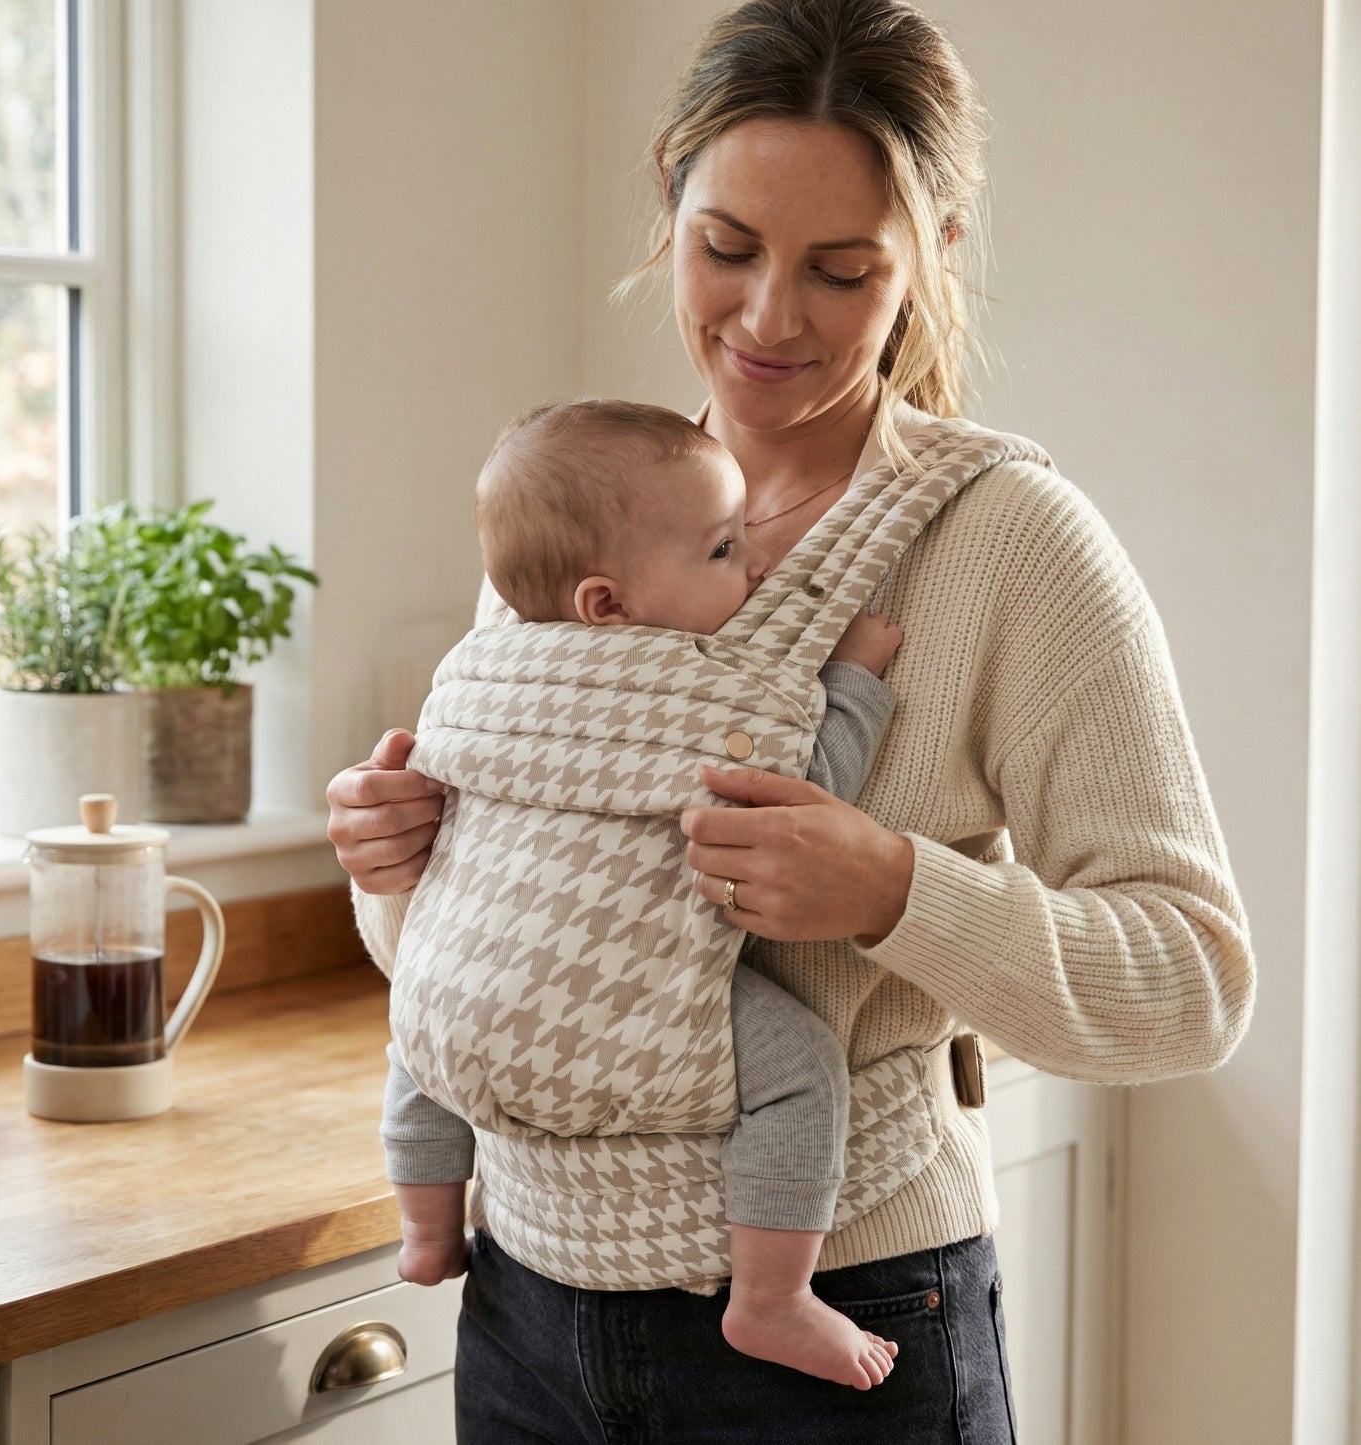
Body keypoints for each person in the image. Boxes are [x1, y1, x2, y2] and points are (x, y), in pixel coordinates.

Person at [327, 1, 1256, 1438]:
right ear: (670, 209)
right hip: (522, 1306)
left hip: (852, 1317)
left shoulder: (1011, 541)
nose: (768, 318)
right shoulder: (583, 514)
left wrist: (895, 889)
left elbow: (1193, 981)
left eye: (839, 269)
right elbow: (485, 940)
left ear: (932, 258)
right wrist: (397, 870)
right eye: (728, 249)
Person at [384, 397, 906, 1390]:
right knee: (798, 1066)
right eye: (720, 550)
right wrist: (852, 684)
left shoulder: (474, 673)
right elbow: (803, 798)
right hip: (625, 1001)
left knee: (425, 1028)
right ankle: (771, 1296)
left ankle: (422, 1226)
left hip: (470, 972)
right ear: (604, 604)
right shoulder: (703, 693)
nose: (752, 568)